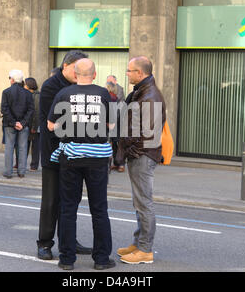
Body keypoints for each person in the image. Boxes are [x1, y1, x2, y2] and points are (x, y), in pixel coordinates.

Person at [47, 58, 115, 270]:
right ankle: (102, 260)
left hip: (71, 157)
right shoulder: (104, 94)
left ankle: (67, 260)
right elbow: (111, 125)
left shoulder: (64, 94)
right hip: (97, 158)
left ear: (75, 75)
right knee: (99, 209)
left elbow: (50, 126)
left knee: (68, 208)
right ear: (94, 74)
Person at [37, 50, 92, 260]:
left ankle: (69, 241)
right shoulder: (51, 86)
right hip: (54, 152)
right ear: (66, 66)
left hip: (75, 152)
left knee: (71, 200)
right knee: (51, 201)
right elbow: (55, 122)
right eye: (77, 70)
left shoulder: (79, 86)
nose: (80, 74)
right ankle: (44, 243)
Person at [116, 56, 166, 265]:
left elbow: (147, 133)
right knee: (139, 201)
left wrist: (131, 151)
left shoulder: (149, 96)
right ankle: (139, 242)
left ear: (140, 73)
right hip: (140, 154)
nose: (126, 74)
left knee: (144, 202)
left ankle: (145, 249)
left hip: (143, 156)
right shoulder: (142, 91)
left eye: (129, 70)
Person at [1, 69, 33, 179]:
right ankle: (21, 172)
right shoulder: (28, 93)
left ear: (13, 80)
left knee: (9, 147)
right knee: (23, 148)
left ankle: (8, 172)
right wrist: (22, 123)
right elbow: (30, 110)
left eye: (9, 78)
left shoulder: (6, 92)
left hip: (9, 124)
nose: (9, 80)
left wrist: (14, 123)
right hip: (23, 125)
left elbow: (4, 110)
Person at [106, 77, 125, 172]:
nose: (108, 81)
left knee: (119, 143)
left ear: (115, 81)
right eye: (108, 80)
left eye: (110, 80)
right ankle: (116, 163)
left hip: (118, 120)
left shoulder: (120, 90)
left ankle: (121, 164)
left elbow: (119, 105)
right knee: (113, 143)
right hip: (111, 120)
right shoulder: (108, 92)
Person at [25, 77, 41, 171]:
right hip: (29, 124)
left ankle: (34, 165)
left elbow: (36, 112)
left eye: (25, 84)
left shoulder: (37, 96)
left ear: (28, 85)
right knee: (25, 145)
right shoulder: (28, 94)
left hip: (35, 125)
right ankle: (21, 163)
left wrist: (34, 126)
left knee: (35, 146)